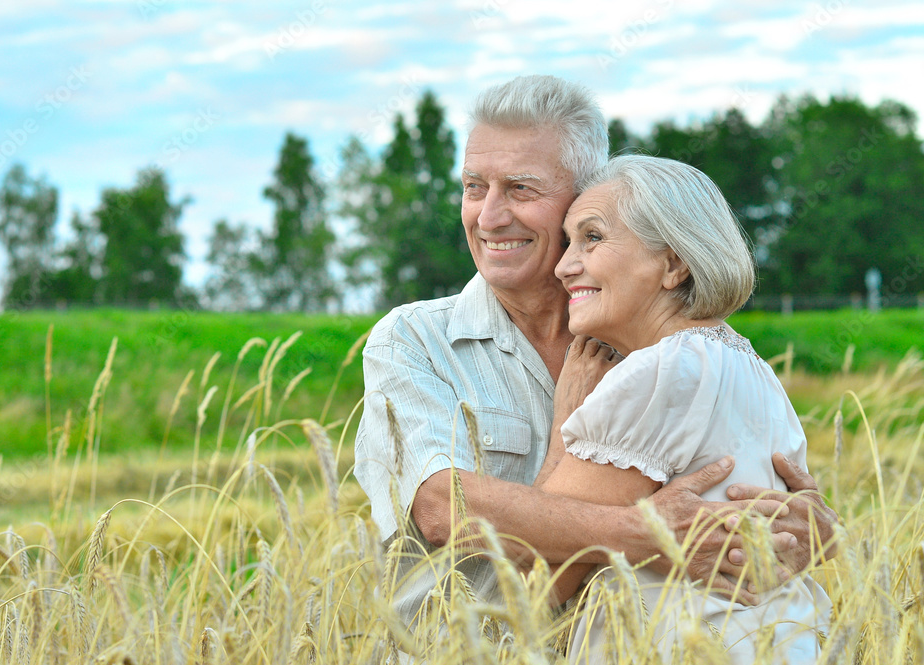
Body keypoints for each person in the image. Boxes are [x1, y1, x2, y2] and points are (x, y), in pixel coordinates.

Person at [352, 74, 837, 639]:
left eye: (521, 189)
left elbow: (757, 500)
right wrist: (646, 533)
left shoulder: (666, 356)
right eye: (473, 187)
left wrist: (807, 532)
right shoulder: (413, 339)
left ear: (585, 192)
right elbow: (440, 505)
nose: (488, 217)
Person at [541, 154, 831, 662]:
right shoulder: (752, 366)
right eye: (568, 240)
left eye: (592, 237)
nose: (564, 265)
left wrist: (562, 426)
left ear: (673, 264)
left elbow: (535, 578)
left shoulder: (659, 372)